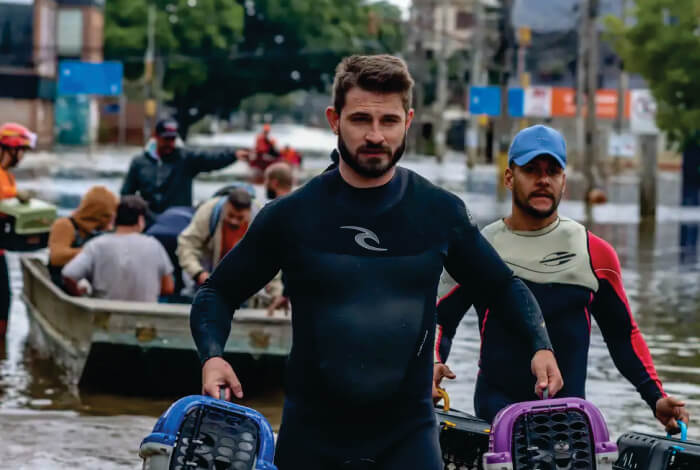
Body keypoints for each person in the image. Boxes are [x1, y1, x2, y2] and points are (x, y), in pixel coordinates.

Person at [189, 55, 562, 470]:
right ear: (334, 119)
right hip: (313, 437)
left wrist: (540, 346)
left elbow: (503, 287)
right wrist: (213, 356)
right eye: (360, 119)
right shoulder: (291, 216)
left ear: (408, 120)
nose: (375, 135)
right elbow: (217, 293)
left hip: (408, 437)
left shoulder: (440, 213)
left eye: (388, 121)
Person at [434, 124, 690, 432]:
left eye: (552, 171)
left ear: (564, 182)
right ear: (509, 178)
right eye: (531, 170)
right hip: (495, 421)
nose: (543, 180)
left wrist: (656, 398)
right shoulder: (479, 250)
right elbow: (439, 321)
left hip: (569, 427)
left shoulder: (594, 253)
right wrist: (431, 367)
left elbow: (623, 336)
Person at [120, 118, 248, 215]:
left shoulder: (186, 158)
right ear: (156, 137)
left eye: (172, 139)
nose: (169, 143)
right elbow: (126, 193)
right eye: (165, 139)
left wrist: (233, 155)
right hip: (150, 219)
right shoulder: (139, 162)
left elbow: (210, 158)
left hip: (179, 218)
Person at [62, 195, 174, 302]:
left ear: (114, 219)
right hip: (145, 316)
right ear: (140, 220)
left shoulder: (97, 245)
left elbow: (69, 274)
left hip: (104, 315)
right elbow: (168, 288)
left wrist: (79, 295)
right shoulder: (154, 246)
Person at [0, 122, 36, 338]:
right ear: (11, 149)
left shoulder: (7, 176)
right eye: (21, 150)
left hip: (1, 249)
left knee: (5, 304)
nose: (22, 156)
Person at [177, 188, 253, 287]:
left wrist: (274, 292)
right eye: (230, 215)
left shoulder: (260, 218)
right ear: (226, 205)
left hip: (244, 284)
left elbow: (269, 257)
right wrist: (198, 273)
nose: (234, 221)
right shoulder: (208, 212)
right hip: (208, 278)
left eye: (240, 218)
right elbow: (186, 244)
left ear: (249, 212)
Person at [47, 186, 118, 289]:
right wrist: (92, 252)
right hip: (61, 283)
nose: (111, 220)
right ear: (98, 214)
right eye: (107, 216)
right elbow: (56, 257)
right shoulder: (65, 225)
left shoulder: (103, 232)